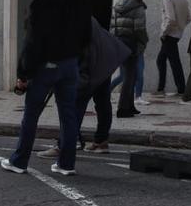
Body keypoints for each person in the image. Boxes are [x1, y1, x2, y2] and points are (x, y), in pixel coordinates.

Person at [1, 0, 92, 176]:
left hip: (46, 66)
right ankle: (66, 164)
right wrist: (76, 58)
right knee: (68, 115)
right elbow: (87, 37)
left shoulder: (42, 3)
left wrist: (23, 73)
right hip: (70, 64)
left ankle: (19, 160)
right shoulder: (82, 2)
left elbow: (33, 43)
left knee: (32, 113)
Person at [39, 17, 128, 158]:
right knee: (102, 101)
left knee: (76, 104)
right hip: (105, 59)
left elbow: (83, 62)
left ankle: (64, 145)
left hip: (96, 63)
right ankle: (101, 141)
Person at [112, 0, 149, 119]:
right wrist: (144, 41)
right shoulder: (138, 7)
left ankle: (130, 106)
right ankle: (123, 108)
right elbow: (139, 29)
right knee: (130, 77)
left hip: (119, 42)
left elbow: (112, 26)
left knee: (129, 75)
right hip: (132, 43)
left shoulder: (117, 5)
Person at [156, 0, 190, 95]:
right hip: (176, 34)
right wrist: (180, 29)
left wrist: (164, 32)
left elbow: (170, 19)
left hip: (169, 34)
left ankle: (167, 89)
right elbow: (188, 18)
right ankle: (175, 88)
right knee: (164, 60)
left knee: (171, 62)